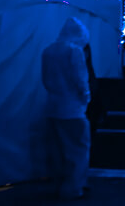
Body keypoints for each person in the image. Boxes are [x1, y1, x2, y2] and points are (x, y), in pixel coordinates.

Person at [42, 17, 92, 201]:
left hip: (53, 107)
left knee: (59, 150)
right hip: (73, 109)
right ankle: (74, 188)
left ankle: (59, 185)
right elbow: (80, 79)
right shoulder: (74, 51)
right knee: (78, 150)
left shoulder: (48, 50)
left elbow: (45, 79)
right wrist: (86, 98)